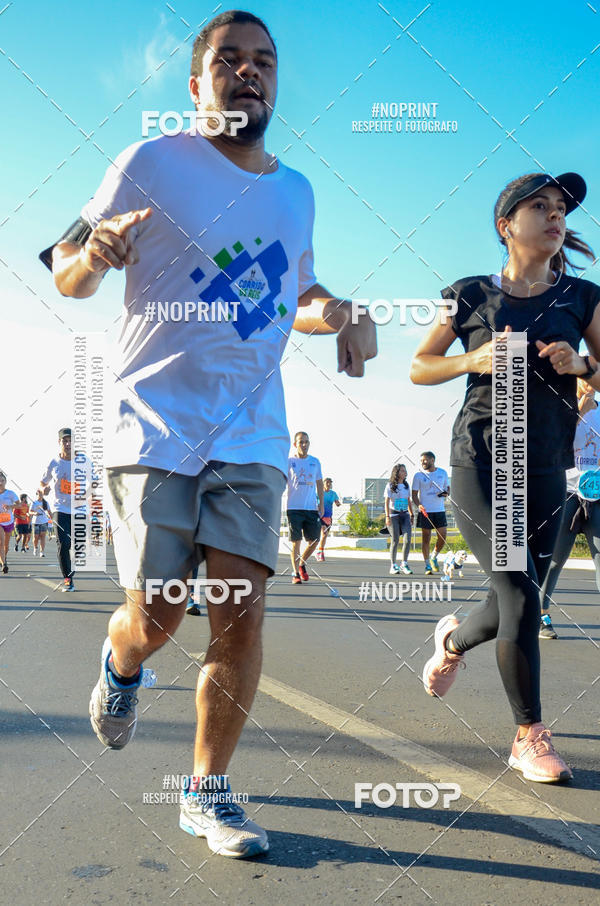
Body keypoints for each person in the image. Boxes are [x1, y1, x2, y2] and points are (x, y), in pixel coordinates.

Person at [43, 10, 375, 859]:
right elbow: (66, 265)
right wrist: (97, 254)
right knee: (155, 617)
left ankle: (207, 790)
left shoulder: (296, 190)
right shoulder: (150, 161)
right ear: (196, 84)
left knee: (240, 613)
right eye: (229, 60)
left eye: (264, 61)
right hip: (151, 426)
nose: (248, 72)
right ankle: (123, 664)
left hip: (254, 436)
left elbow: (294, 292)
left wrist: (336, 311)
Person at [412, 170, 600, 783]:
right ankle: (528, 736)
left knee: (521, 597)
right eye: (539, 206)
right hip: (480, 459)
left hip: (545, 465)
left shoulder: (584, 297)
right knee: (518, 592)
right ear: (506, 225)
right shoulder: (468, 293)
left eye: (561, 209)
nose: (555, 216)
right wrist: (473, 358)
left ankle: (452, 642)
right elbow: (420, 366)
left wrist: (584, 364)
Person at [539, 379, 600, 639]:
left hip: (597, 496)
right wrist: (579, 412)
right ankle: (541, 614)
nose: (588, 383)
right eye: (582, 377)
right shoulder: (559, 407)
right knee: (554, 561)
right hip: (565, 493)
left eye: (593, 375)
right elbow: (553, 447)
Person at [40, 428, 76, 591]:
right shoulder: (53, 463)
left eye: (70, 440)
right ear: (59, 442)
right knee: (63, 543)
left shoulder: (83, 461)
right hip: (59, 509)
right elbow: (42, 483)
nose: (68, 443)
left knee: (78, 546)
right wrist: (44, 490)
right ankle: (67, 578)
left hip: (79, 509)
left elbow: (94, 480)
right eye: (64, 440)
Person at [287, 432, 324, 582]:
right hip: (293, 508)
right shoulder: (288, 462)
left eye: (307, 442)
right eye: (301, 442)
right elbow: (280, 481)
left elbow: (319, 484)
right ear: (295, 444)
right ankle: (296, 574)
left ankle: (301, 564)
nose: (304, 445)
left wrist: (321, 504)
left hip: (311, 508)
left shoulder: (315, 462)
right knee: (296, 541)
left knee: (315, 540)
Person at [411, 452, 449, 574]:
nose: (422, 463)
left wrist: (446, 493)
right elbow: (414, 494)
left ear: (432, 460)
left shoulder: (442, 473)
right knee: (426, 538)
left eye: (425, 460)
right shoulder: (418, 475)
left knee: (442, 536)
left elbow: (447, 489)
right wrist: (419, 505)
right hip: (425, 511)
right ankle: (427, 565)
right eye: (421, 460)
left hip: (439, 510)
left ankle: (434, 557)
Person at [385, 464, 414, 575]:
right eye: (402, 471)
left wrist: (412, 515)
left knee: (407, 540)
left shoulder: (406, 486)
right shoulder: (390, 485)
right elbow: (387, 502)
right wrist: (387, 516)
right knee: (395, 540)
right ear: (396, 473)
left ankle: (404, 564)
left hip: (405, 515)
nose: (405, 472)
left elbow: (409, 501)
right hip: (393, 515)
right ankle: (393, 565)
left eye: (405, 470)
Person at [315, 477, 340, 562]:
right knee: (324, 533)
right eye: (327, 482)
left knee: (324, 536)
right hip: (320, 516)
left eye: (330, 483)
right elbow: (313, 501)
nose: (329, 484)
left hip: (328, 517)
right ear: (323, 484)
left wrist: (338, 503)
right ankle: (320, 553)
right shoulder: (319, 493)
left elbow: (337, 502)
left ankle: (319, 551)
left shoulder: (333, 494)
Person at [0, 471, 18, 573]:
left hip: (9, 521)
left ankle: (3, 558)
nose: (0, 483)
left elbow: (19, 505)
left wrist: (10, 506)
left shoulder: (11, 493)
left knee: (6, 544)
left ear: (5, 481)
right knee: (1, 543)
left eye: (2, 480)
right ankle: (4, 564)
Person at [30, 489, 51, 557]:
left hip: (44, 521)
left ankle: (42, 552)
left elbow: (49, 511)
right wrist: (34, 513)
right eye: (39, 493)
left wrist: (53, 517)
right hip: (36, 522)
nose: (40, 495)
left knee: (43, 537)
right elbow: (30, 512)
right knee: (35, 537)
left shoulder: (46, 503)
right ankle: (35, 548)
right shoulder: (34, 502)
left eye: (41, 493)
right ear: (37, 494)